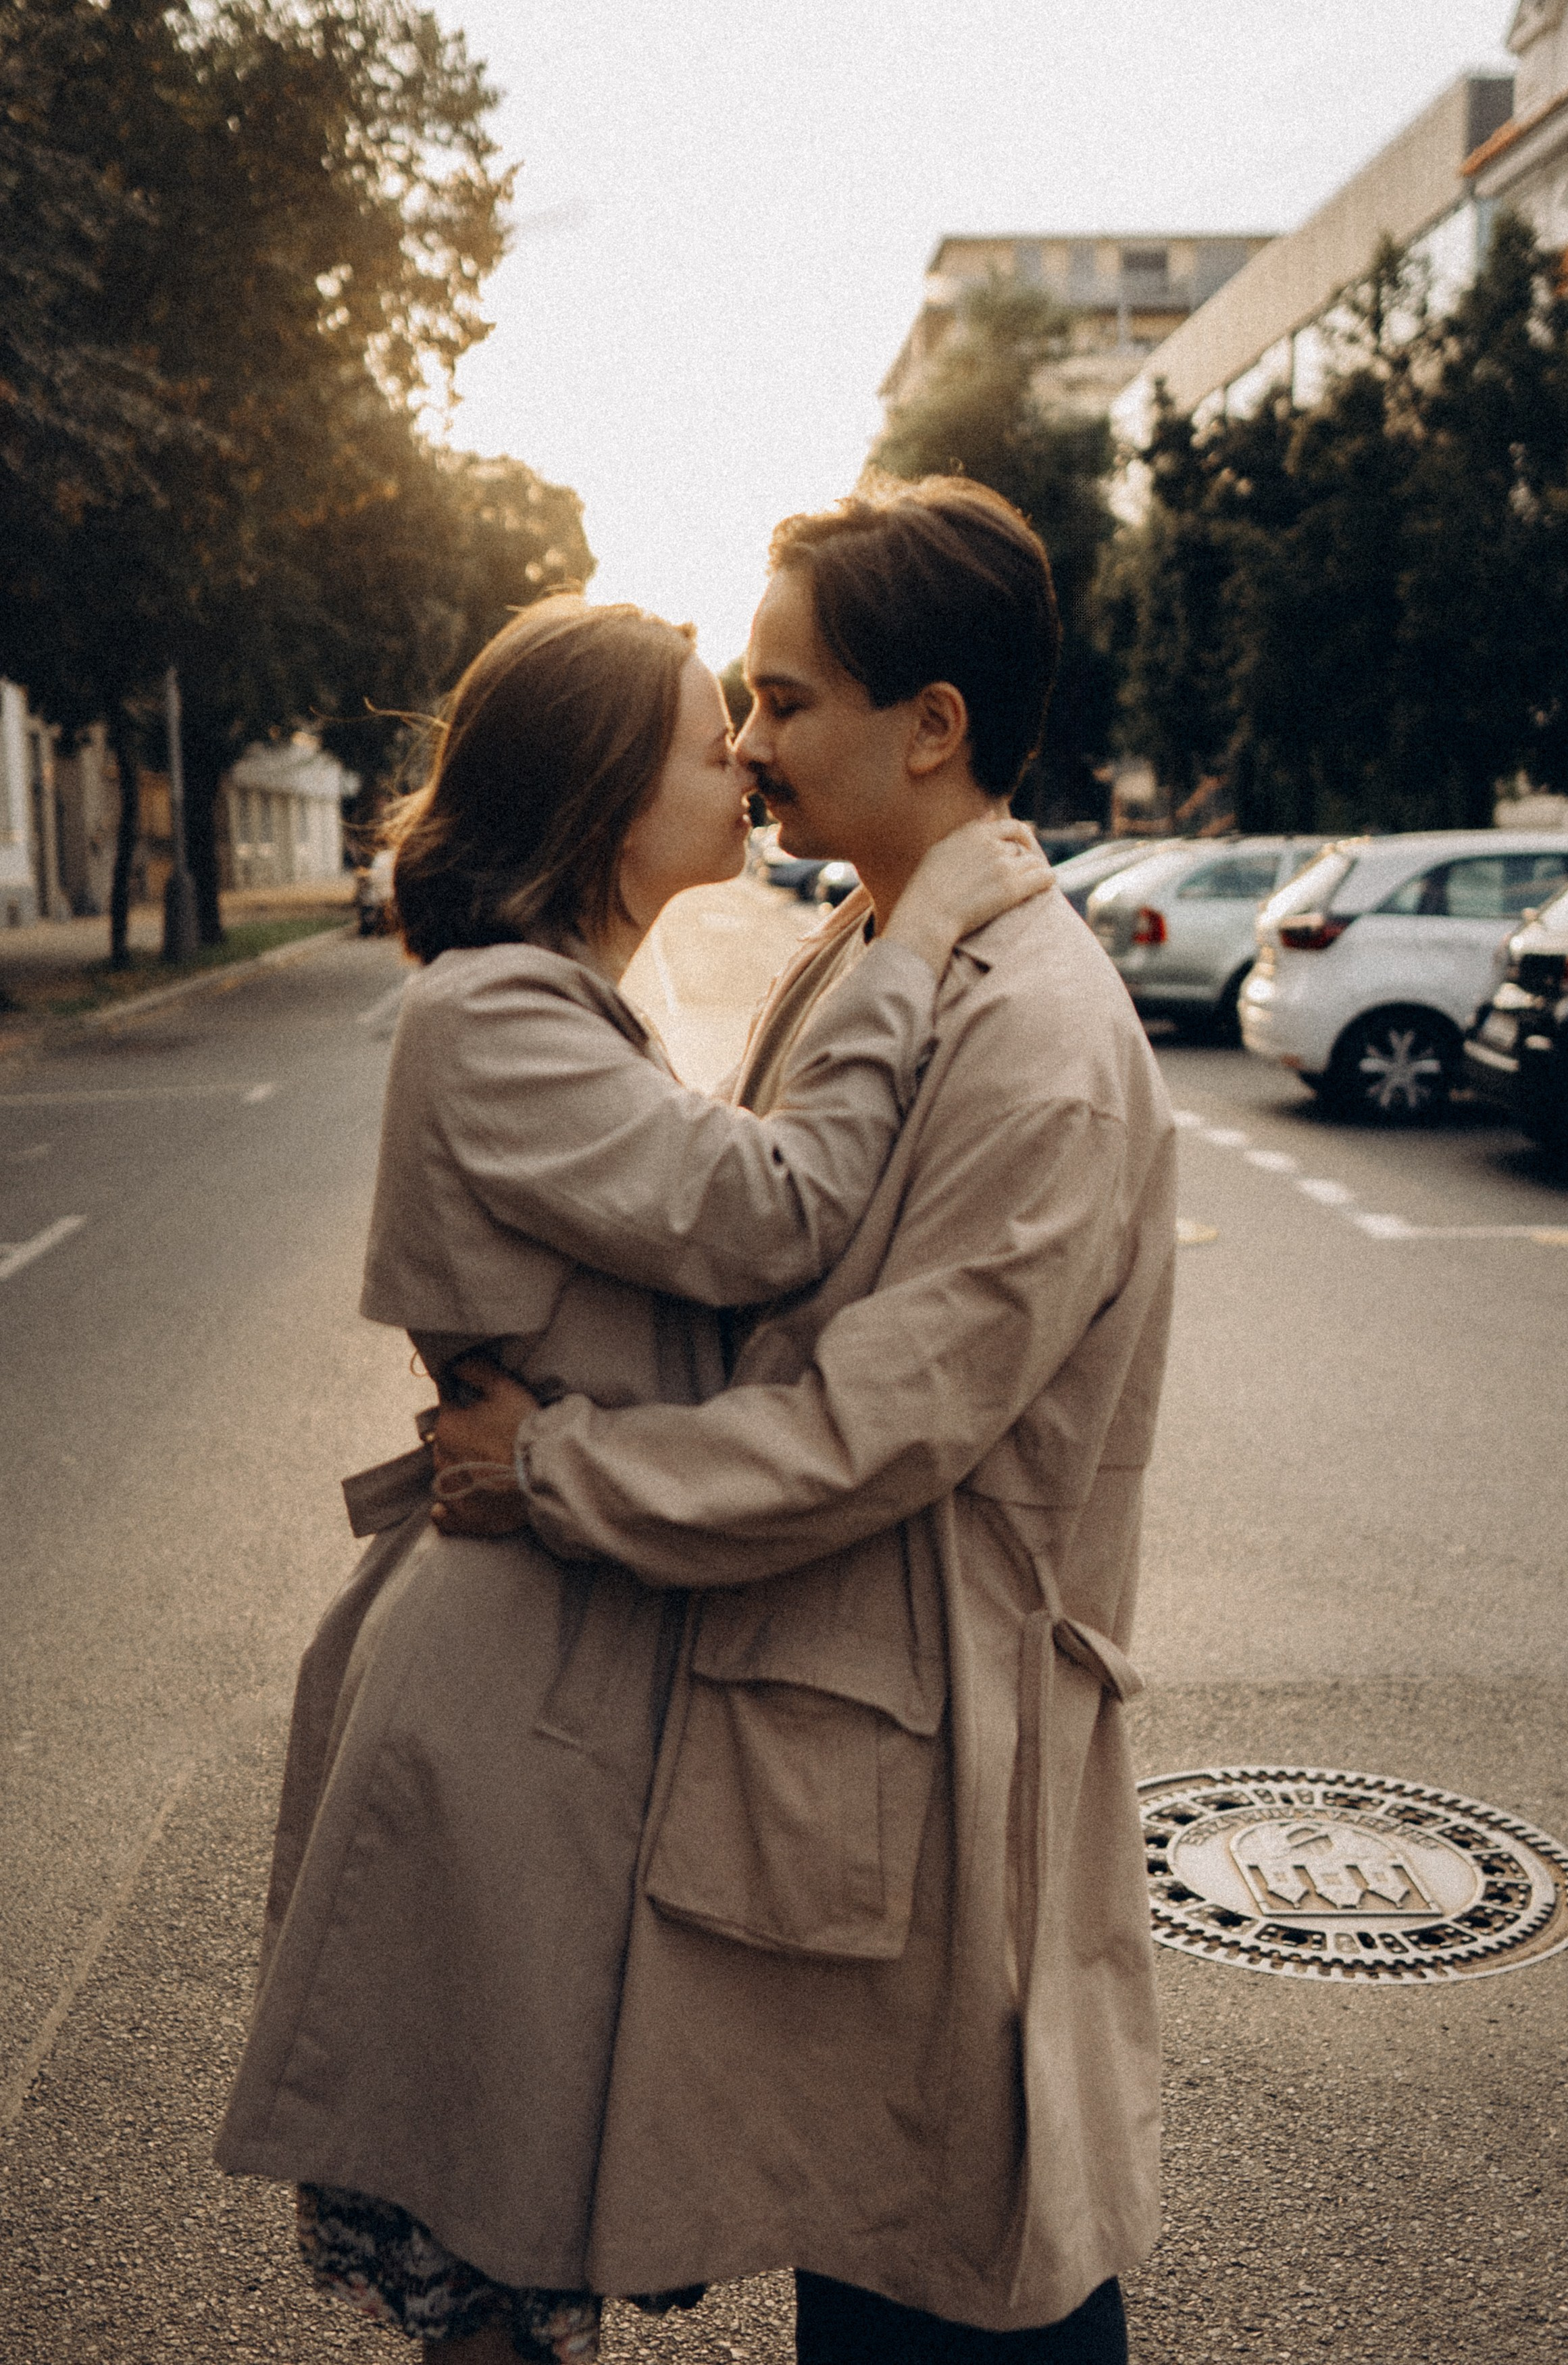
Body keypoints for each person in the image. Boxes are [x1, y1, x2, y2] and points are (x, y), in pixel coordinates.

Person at [213, 590, 1048, 2365]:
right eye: (702, 732)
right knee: (494, 2281)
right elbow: (774, 1212)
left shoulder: (560, 1002)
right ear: (599, 793)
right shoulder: (495, 1018)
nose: (743, 756)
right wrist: (917, 933)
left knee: (531, 2263)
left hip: (565, 1656)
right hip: (508, 1706)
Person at [430, 478, 1178, 2364]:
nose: (747, 741)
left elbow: (871, 1429)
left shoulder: (1038, 1032)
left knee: (967, 2271)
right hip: (851, 1739)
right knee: (878, 2250)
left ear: (932, 726)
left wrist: (553, 1470)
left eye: (783, 698)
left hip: (938, 1761)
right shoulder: (880, 938)